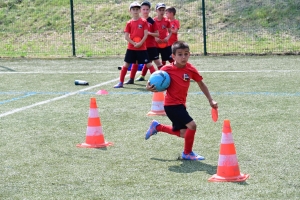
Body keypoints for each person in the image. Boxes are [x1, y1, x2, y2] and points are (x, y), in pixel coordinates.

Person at [145, 41, 218, 160]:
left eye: (186, 54)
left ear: (189, 54)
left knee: (184, 133)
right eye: (180, 54)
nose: (183, 57)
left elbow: (201, 83)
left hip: (181, 105)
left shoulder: (190, 69)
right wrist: (149, 87)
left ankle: (157, 127)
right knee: (192, 126)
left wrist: (211, 100)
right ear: (173, 56)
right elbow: (153, 80)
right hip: (171, 105)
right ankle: (187, 153)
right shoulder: (166, 69)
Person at [114, 1, 156, 88]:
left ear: (139, 10)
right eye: (133, 9)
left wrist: (140, 43)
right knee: (126, 64)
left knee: (149, 64)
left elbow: (146, 34)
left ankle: (157, 81)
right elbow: (126, 36)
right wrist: (134, 43)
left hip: (142, 48)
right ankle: (121, 82)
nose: (135, 11)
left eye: (137, 9)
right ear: (130, 11)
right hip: (131, 48)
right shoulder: (129, 23)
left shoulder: (144, 21)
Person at [126, 1, 164, 84]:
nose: (145, 11)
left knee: (156, 62)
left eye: (147, 9)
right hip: (139, 46)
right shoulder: (136, 20)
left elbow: (157, 34)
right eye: (144, 9)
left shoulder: (151, 21)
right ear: (141, 10)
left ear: (149, 10)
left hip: (150, 45)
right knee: (136, 62)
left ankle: (164, 77)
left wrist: (149, 33)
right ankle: (132, 79)